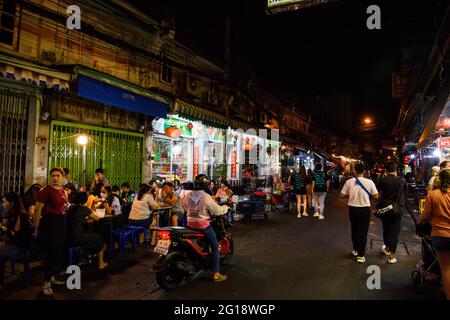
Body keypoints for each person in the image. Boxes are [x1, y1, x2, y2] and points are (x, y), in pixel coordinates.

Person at [183, 174, 229, 282]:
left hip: (189, 224)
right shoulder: (205, 196)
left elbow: (185, 207)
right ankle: (216, 274)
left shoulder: (188, 195)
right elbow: (216, 210)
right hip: (202, 225)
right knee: (214, 247)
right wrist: (226, 208)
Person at [35, 167, 68, 296]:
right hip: (49, 224)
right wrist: (37, 228)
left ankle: (52, 277)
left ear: (62, 177)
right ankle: (46, 283)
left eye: (58, 176)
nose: (55, 178)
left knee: (57, 252)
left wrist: (66, 202)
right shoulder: (45, 191)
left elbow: (63, 207)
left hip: (60, 223)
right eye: (53, 175)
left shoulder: (63, 191)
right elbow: (38, 210)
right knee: (50, 253)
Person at [419, 169, 450, 299]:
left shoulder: (433, 194)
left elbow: (425, 215)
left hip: (440, 234)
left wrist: (421, 221)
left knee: (446, 268)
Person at [341, 163, 379, 263]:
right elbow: (376, 196)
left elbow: (342, 194)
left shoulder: (349, 182)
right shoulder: (369, 182)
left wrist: (350, 194)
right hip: (365, 209)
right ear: (364, 171)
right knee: (363, 231)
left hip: (353, 208)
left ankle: (355, 249)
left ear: (354, 171)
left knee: (354, 229)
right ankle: (361, 255)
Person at [66, 192, 108, 270]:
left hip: (68, 237)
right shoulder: (83, 208)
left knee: (90, 235)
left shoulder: (70, 208)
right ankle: (101, 263)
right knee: (99, 237)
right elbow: (96, 218)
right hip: (78, 238)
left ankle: (84, 258)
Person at [0, 192, 32, 290]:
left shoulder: (20, 215)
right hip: (14, 244)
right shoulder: (14, 214)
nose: (3, 204)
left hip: (21, 247)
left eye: (5, 202)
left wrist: (5, 230)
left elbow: (15, 234)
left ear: (12, 202)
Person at [377, 162, 407, 264]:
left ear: (386, 170)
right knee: (395, 231)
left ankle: (387, 248)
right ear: (395, 170)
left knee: (386, 229)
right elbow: (405, 190)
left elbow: (378, 192)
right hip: (398, 208)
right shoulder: (401, 180)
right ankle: (392, 255)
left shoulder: (383, 180)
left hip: (386, 208)